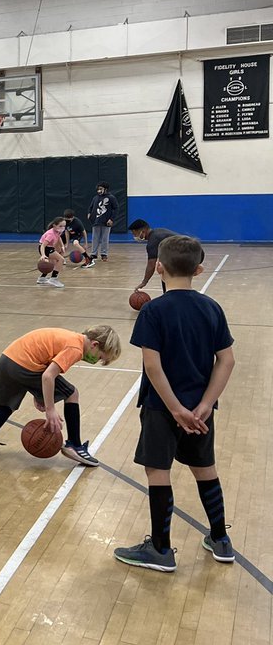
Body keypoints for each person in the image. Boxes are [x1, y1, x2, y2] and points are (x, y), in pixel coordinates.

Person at [114, 235, 236, 572]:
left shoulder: (153, 310)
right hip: (200, 410)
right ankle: (220, 539)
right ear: (199, 269)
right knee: (205, 470)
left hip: (161, 408)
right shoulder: (212, 308)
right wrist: (206, 404)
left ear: (159, 268)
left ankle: (161, 549)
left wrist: (174, 409)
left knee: (158, 471)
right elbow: (226, 361)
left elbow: (152, 366)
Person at [0, 324, 122, 465]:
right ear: (94, 345)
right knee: (72, 393)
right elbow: (47, 377)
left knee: (8, 405)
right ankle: (74, 445)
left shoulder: (71, 337)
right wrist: (50, 409)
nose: (97, 361)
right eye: (101, 357)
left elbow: (40, 356)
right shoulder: (75, 348)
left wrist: (37, 393)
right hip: (25, 365)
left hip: (8, 360)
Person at [129, 219, 180, 296]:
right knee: (165, 270)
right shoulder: (158, 231)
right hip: (192, 251)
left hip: (187, 254)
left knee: (167, 273)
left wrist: (144, 282)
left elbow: (151, 265)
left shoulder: (153, 241)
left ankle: (171, 298)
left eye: (135, 234)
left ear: (143, 231)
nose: (135, 237)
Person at [87, 182, 118, 262]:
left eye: (101, 189)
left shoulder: (111, 197)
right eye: (98, 189)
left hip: (106, 221)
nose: (99, 191)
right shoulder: (95, 198)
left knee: (105, 238)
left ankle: (104, 254)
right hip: (96, 221)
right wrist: (89, 213)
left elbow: (116, 209)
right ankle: (94, 253)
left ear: (105, 189)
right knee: (95, 238)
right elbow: (91, 207)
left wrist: (111, 219)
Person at [37, 217, 67, 288]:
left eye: (64, 226)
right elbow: (43, 246)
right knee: (61, 259)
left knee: (52, 263)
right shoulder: (50, 234)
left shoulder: (58, 231)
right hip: (45, 248)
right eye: (60, 226)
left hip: (49, 247)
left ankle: (41, 278)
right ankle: (53, 278)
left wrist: (62, 246)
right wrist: (43, 255)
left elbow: (59, 237)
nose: (62, 228)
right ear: (54, 225)